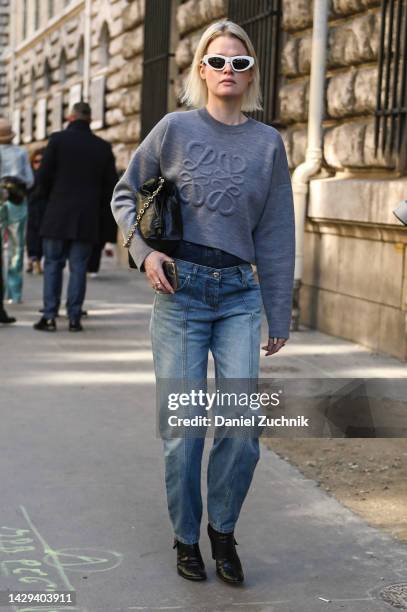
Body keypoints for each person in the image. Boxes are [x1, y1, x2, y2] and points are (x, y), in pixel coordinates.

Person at [111, 20, 295, 584]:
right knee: (184, 432)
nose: (228, 72)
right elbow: (125, 194)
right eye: (218, 62)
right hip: (181, 291)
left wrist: (279, 310)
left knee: (241, 430)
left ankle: (223, 530)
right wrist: (145, 254)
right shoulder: (173, 130)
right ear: (200, 69)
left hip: (239, 294)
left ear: (251, 73)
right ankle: (186, 537)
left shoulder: (268, 144)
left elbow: (277, 234)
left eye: (240, 64)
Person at [33, 101, 118, 332]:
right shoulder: (102, 146)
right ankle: (74, 318)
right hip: (87, 217)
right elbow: (110, 187)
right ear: (90, 120)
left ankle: (49, 317)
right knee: (78, 267)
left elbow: (42, 177)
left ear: (71, 117)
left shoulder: (57, 140)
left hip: (57, 213)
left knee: (52, 264)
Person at [0, 117, 34, 305]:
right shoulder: (20, 153)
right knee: (17, 247)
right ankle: (14, 293)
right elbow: (29, 180)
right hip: (16, 200)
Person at [26, 148, 47, 275]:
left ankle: (35, 260)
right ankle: (33, 259)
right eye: (36, 161)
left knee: (40, 236)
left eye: (41, 161)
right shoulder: (29, 176)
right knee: (32, 235)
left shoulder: (47, 176)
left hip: (45, 209)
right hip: (31, 209)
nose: (38, 164)